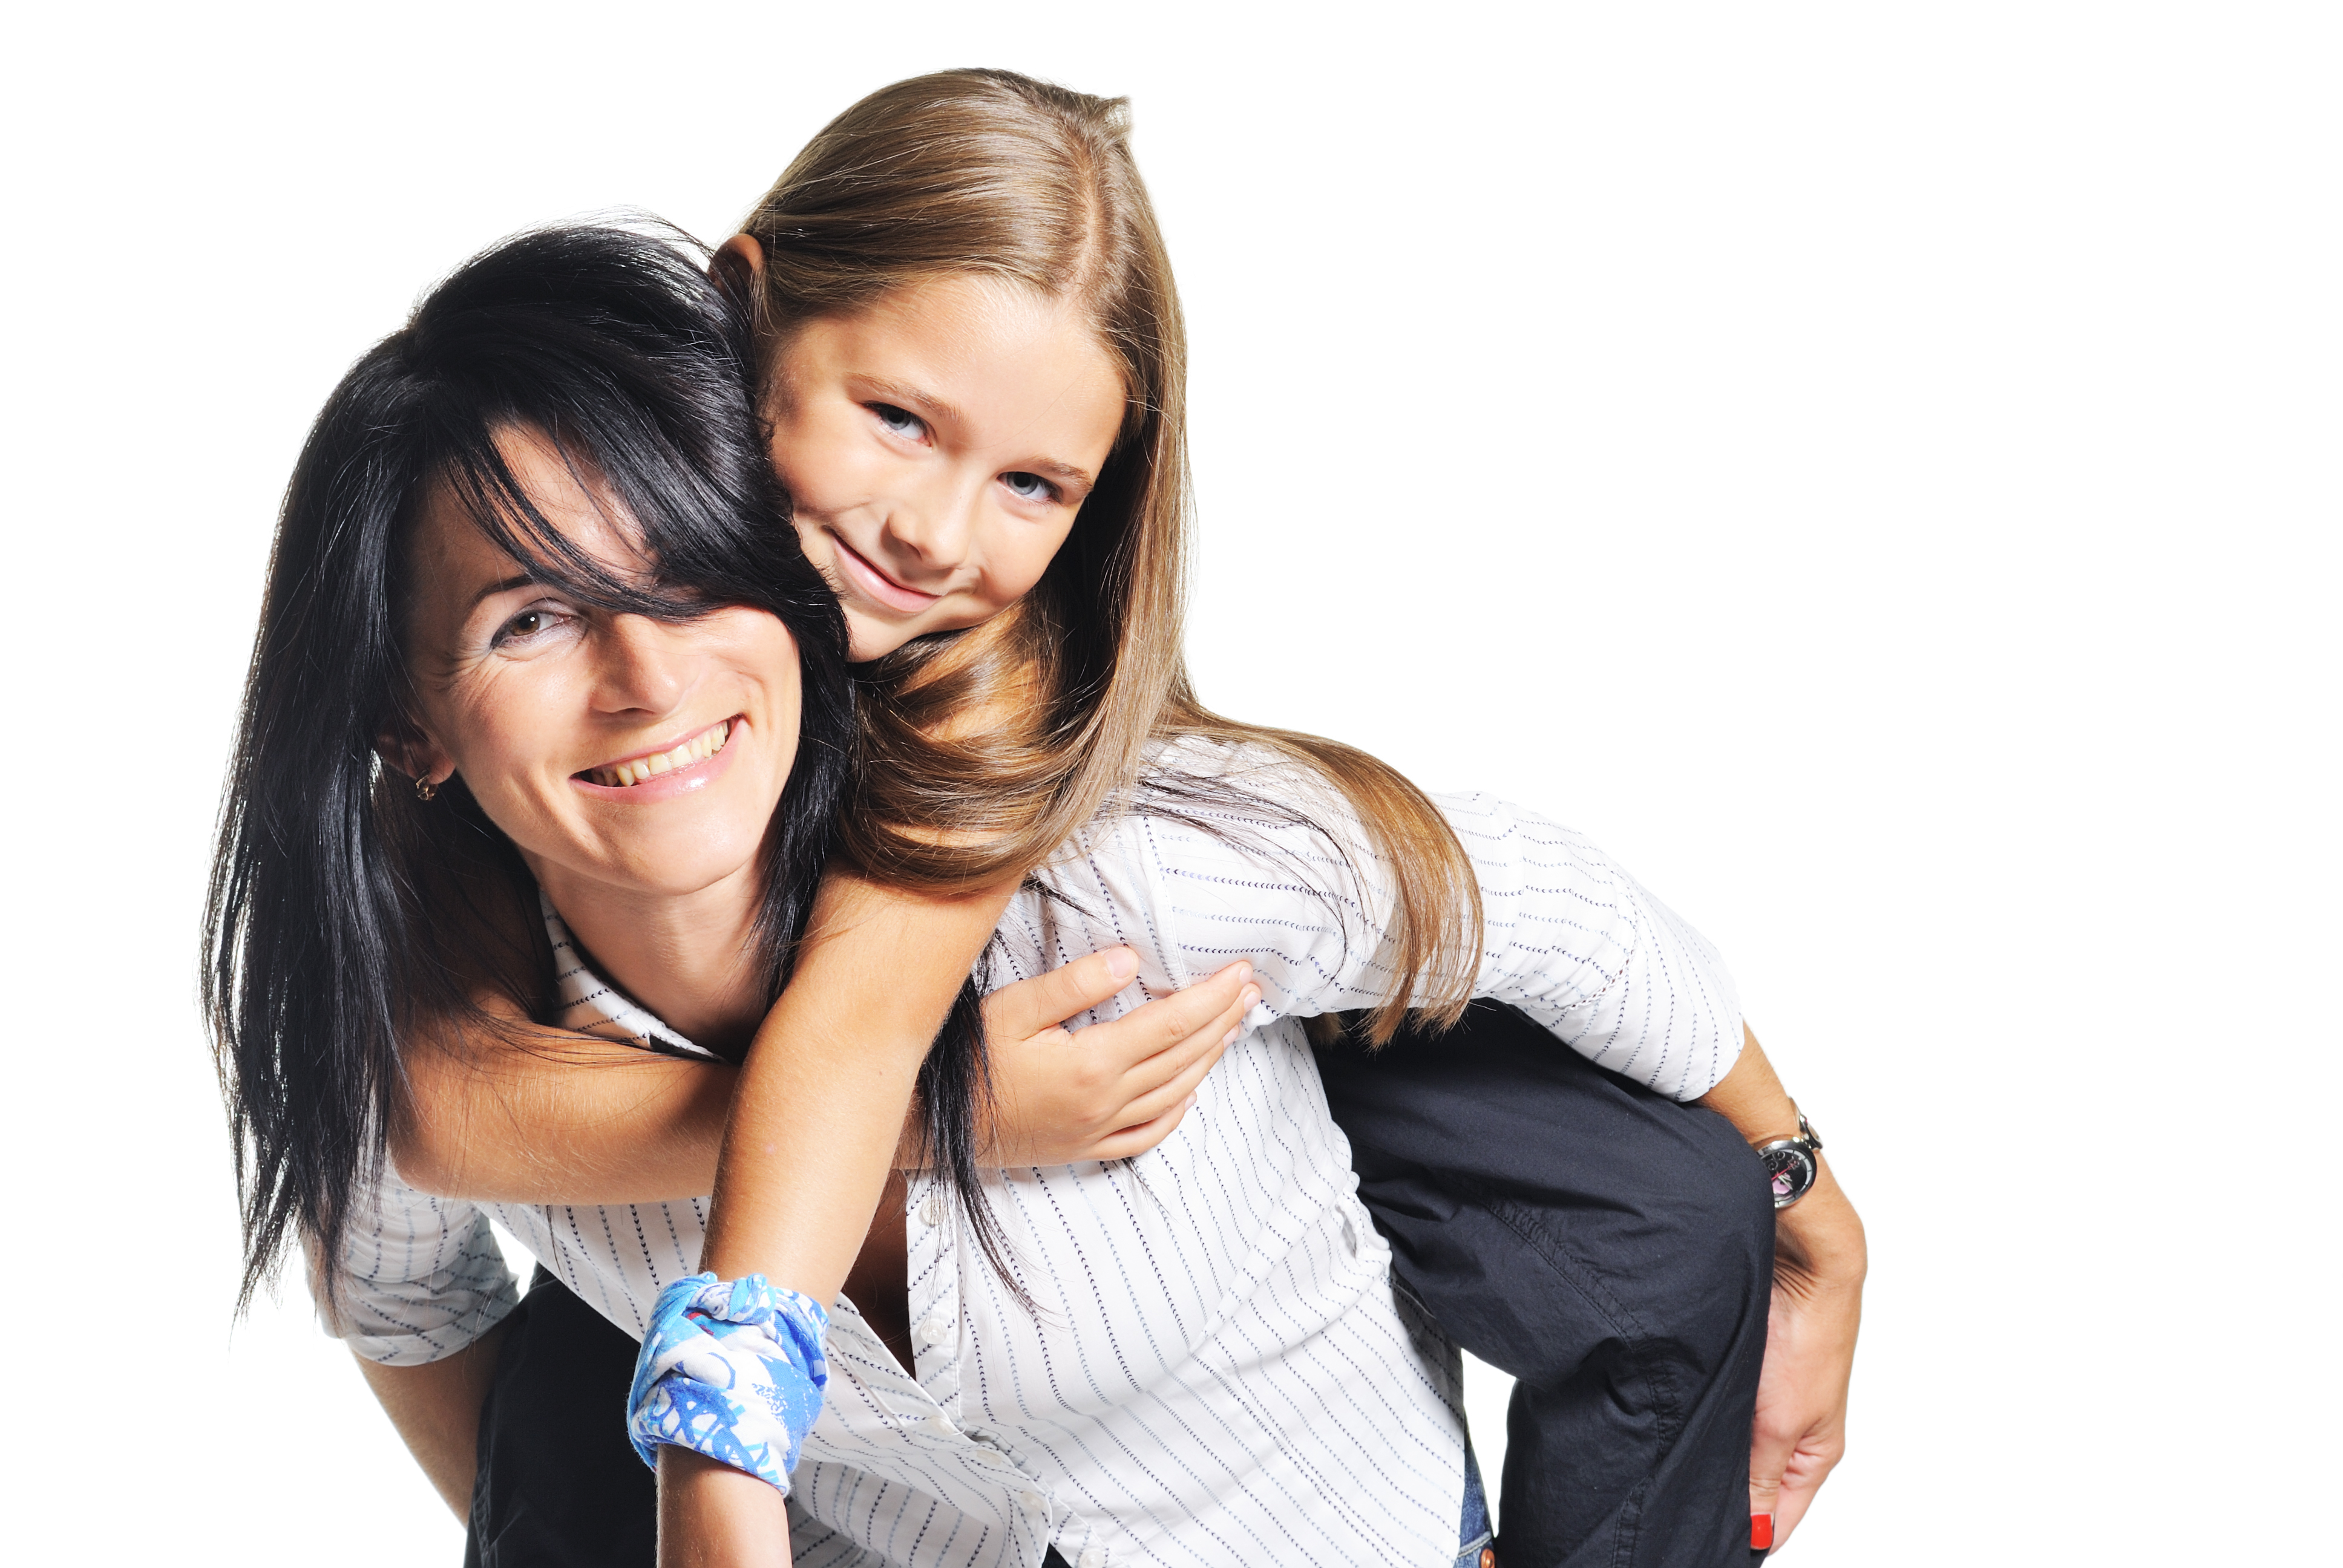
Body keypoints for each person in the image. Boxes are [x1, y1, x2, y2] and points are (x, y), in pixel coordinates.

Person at [215, 68, 1863, 1567]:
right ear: (743, 320)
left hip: (1318, 1497)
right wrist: (954, 1116)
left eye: (1032, 487)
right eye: (897, 421)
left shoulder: (1091, 815)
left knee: (1665, 1208)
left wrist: (1805, 1190)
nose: (931, 534)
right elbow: (408, 1169)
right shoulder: (482, 919)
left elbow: (1551, 909)